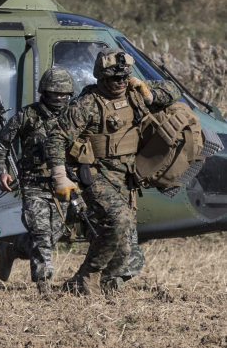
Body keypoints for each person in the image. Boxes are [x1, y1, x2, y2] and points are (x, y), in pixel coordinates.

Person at [46, 48, 181, 295]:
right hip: (95, 174)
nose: (120, 82)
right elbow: (56, 137)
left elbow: (173, 91)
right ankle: (89, 277)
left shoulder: (134, 92)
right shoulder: (87, 104)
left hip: (126, 176)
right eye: (114, 78)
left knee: (125, 240)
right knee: (120, 221)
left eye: (123, 77)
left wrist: (148, 93)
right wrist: (59, 176)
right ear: (101, 77)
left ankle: (105, 282)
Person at [0, 68, 75, 294]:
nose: (59, 98)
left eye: (63, 94)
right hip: (33, 184)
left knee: (54, 234)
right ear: (44, 92)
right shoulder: (27, 116)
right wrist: (2, 171)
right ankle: (43, 283)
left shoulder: (74, 116)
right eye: (54, 93)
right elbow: (0, 146)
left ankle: (9, 251)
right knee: (40, 233)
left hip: (62, 185)